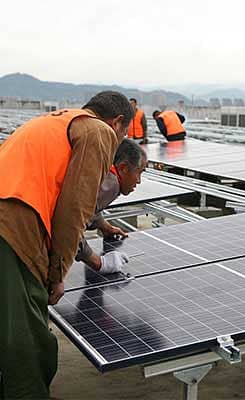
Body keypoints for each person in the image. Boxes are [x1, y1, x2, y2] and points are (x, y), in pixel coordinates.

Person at [0, 91, 133, 399]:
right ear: (118, 122)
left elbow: (59, 183)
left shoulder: (56, 121)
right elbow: (75, 206)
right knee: (28, 339)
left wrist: (100, 224)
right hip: (13, 226)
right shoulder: (99, 131)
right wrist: (57, 273)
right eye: (123, 134)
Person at [76, 138, 147, 273]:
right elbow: (68, 225)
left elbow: (86, 206)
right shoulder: (110, 185)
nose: (138, 181)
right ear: (123, 168)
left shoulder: (101, 172)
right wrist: (98, 262)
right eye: (139, 172)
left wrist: (104, 226)